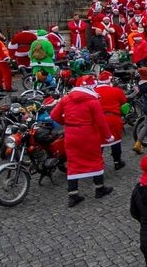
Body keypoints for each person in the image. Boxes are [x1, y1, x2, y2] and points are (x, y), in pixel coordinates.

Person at [50, 80, 113, 208]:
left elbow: (54, 115)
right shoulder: (93, 101)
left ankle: (73, 195)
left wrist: (66, 121)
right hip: (88, 133)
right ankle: (99, 189)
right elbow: (100, 122)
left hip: (71, 133)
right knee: (95, 159)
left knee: (73, 162)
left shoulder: (66, 98)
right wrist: (108, 136)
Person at [92, 72, 128, 172]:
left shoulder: (93, 91)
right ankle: (117, 162)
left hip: (97, 120)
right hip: (113, 118)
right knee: (115, 141)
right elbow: (124, 102)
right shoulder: (116, 91)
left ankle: (97, 163)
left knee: (99, 142)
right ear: (110, 80)